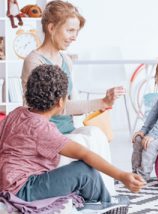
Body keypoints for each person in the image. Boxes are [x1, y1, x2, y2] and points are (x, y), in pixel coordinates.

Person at [0, 64, 145, 213]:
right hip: (23, 190)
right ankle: (102, 203)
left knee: (68, 171)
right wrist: (122, 176)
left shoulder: (17, 113)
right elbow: (85, 154)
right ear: (61, 102)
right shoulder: (43, 129)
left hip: (8, 183)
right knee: (83, 171)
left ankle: (97, 200)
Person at [21, 0, 123, 195]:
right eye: (70, 31)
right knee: (86, 143)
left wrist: (104, 103)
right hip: (47, 134)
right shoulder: (33, 61)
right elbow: (59, 107)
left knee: (96, 134)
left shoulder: (66, 60)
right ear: (51, 28)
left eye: (76, 32)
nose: (74, 37)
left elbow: (72, 101)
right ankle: (100, 195)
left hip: (67, 128)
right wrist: (100, 102)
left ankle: (107, 193)